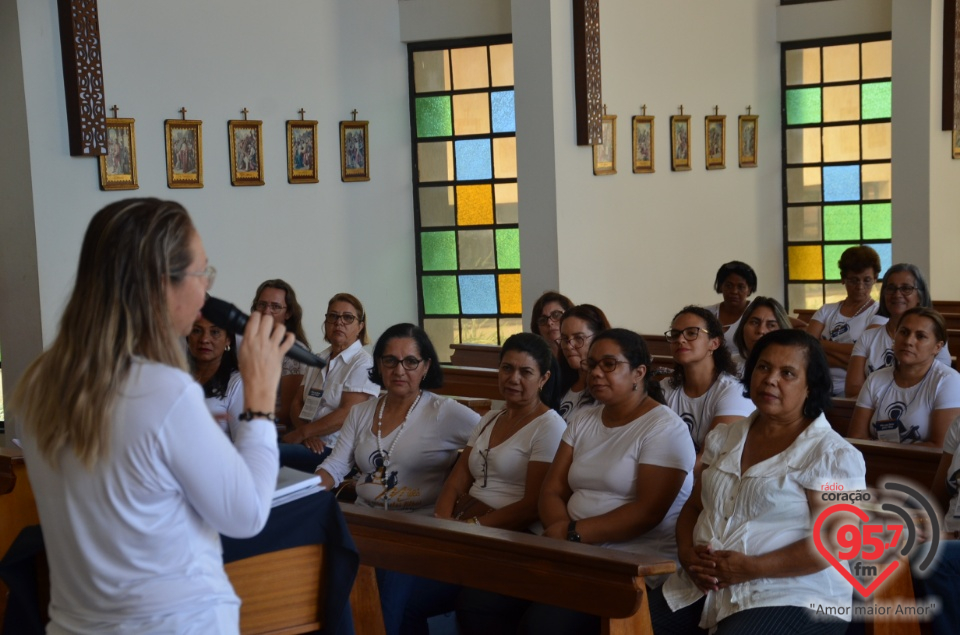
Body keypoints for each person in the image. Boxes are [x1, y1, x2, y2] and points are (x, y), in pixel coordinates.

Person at [11, 198, 292, 633]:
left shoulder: (38, 382)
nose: (206, 294)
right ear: (163, 284)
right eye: (202, 274)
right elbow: (246, 514)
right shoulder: (163, 389)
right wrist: (258, 398)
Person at [466, 329, 694, 635]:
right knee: (478, 601)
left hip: (630, 561)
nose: (596, 373)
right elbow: (552, 490)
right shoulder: (585, 418)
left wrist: (572, 534)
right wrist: (563, 536)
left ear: (639, 372)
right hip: (573, 552)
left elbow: (647, 512)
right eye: (592, 364)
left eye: (609, 364)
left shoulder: (664, 428)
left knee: (544, 625)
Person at [652, 329, 867, 635]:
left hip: (790, 594)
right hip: (701, 585)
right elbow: (695, 505)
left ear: (809, 386)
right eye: (763, 367)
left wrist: (751, 568)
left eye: (788, 373)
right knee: (627, 624)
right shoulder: (725, 437)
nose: (770, 379)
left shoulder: (831, 454)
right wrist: (687, 555)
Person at [315, 323, 480, 635]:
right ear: (378, 365)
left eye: (410, 361)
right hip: (365, 525)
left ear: (426, 365)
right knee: (327, 572)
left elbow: (492, 444)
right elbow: (335, 466)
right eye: (390, 360)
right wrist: (304, 495)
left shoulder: (444, 412)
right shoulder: (362, 412)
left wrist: (466, 492)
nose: (399, 370)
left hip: (416, 531)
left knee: (389, 581)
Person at [436, 332, 565, 531]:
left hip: (513, 531)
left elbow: (533, 505)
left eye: (526, 372)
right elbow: (455, 483)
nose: (513, 379)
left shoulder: (549, 426)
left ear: (543, 378)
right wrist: (442, 521)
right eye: (507, 368)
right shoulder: (489, 419)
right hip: (467, 520)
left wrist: (473, 527)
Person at [283, 292, 380, 470]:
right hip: (307, 441)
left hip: (335, 450)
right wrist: (305, 434)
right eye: (333, 316)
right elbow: (297, 402)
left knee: (271, 455)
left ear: (360, 326)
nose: (339, 322)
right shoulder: (319, 359)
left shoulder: (363, 363)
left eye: (348, 318)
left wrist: (303, 433)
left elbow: (347, 413)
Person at [848, 307, 960, 447]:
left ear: (937, 347)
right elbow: (856, 437)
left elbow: (941, 446)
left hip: (924, 467)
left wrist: (886, 448)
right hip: (874, 463)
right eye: (904, 332)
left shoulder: (948, 381)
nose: (908, 341)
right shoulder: (875, 379)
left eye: (920, 336)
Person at [846, 263, 951, 397]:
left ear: (919, 296)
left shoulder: (934, 339)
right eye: (891, 288)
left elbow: (938, 387)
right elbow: (852, 389)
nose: (897, 294)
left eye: (906, 288)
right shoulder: (868, 337)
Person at [662, 306, 754, 453]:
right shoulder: (664, 388)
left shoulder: (733, 391)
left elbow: (709, 459)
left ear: (714, 343)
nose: (680, 340)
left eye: (691, 333)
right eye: (675, 334)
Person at [806, 245, 882, 395]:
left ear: (875, 279)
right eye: (854, 280)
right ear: (843, 278)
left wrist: (821, 344)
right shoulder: (826, 310)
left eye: (867, 280)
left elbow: (866, 353)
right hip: (815, 385)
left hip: (853, 390)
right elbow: (806, 347)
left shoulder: (879, 312)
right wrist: (849, 359)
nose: (860, 287)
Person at [250, 279, 312, 428]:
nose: (266, 311)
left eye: (275, 307)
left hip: (273, 430)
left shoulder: (294, 352)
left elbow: (287, 412)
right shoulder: (246, 344)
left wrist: (244, 421)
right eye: (262, 304)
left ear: (288, 313)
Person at [187, 316, 243, 437]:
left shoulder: (237, 384)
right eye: (197, 331)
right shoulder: (177, 378)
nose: (204, 339)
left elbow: (243, 444)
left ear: (228, 339)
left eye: (215, 332)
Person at [555, 304, 611, 421]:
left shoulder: (607, 388)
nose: (569, 346)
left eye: (578, 338)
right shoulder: (559, 381)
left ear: (598, 339)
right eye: (565, 339)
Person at [706, 261, 757, 357]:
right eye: (729, 286)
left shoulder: (758, 312)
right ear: (721, 286)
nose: (734, 291)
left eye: (741, 287)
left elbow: (788, 322)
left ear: (749, 289)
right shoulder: (707, 314)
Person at [730, 296, 792, 373]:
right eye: (754, 322)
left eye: (771, 325)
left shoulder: (792, 368)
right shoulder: (728, 365)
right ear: (743, 326)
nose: (761, 330)